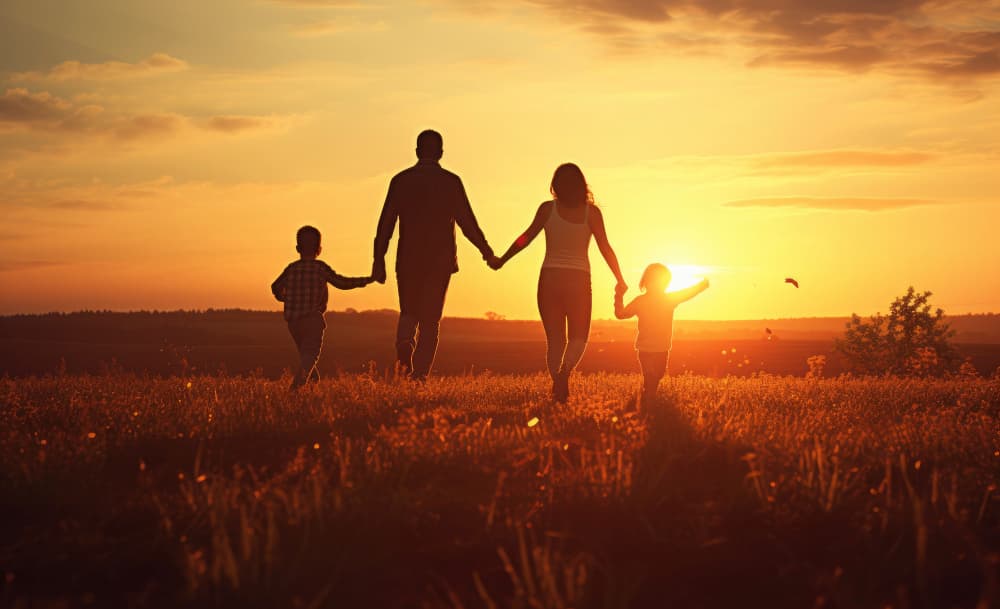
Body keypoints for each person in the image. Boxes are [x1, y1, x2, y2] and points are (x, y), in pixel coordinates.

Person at [492, 163, 626, 402]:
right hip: (579, 280)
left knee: (555, 339)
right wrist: (619, 278)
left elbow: (526, 237)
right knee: (579, 337)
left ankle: (558, 384)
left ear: (555, 186)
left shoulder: (547, 209)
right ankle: (564, 373)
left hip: (550, 278)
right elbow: (605, 247)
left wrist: (503, 258)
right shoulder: (591, 213)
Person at [372, 130, 497, 381]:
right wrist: (487, 252)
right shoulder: (451, 182)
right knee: (430, 321)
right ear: (440, 153)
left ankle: (405, 340)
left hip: (408, 257)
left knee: (408, 310)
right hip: (440, 260)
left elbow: (386, 223)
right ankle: (419, 376)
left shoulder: (401, 181)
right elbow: (467, 223)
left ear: (417, 151)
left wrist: (378, 259)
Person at [272, 225, 372, 389]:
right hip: (312, 320)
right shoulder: (320, 268)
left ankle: (312, 384)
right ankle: (295, 389)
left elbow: (275, 287)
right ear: (319, 249)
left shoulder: (291, 269)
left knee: (306, 357)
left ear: (298, 248)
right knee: (310, 356)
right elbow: (341, 282)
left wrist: (284, 298)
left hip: (293, 323)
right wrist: (364, 281)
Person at [614, 263, 709, 402]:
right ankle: (648, 401)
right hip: (646, 348)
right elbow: (621, 314)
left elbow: (687, 293)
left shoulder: (667, 299)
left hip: (660, 348)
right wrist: (619, 296)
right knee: (651, 375)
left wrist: (700, 286)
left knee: (656, 375)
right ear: (645, 282)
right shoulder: (645, 301)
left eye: (661, 281)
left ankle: (648, 397)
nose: (658, 285)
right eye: (654, 281)